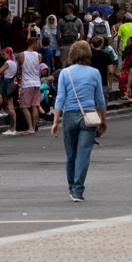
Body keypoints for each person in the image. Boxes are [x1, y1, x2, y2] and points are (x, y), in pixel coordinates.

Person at [53, 38, 107, 201]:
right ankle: (78, 190)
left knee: (71, 155)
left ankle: (71, 187)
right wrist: (103, 119)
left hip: (69, 115)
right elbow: (100, 99)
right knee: (83, 154)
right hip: (88, 116)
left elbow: (60, 97)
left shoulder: (65, 73)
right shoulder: (94, 73)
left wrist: (55, 121)